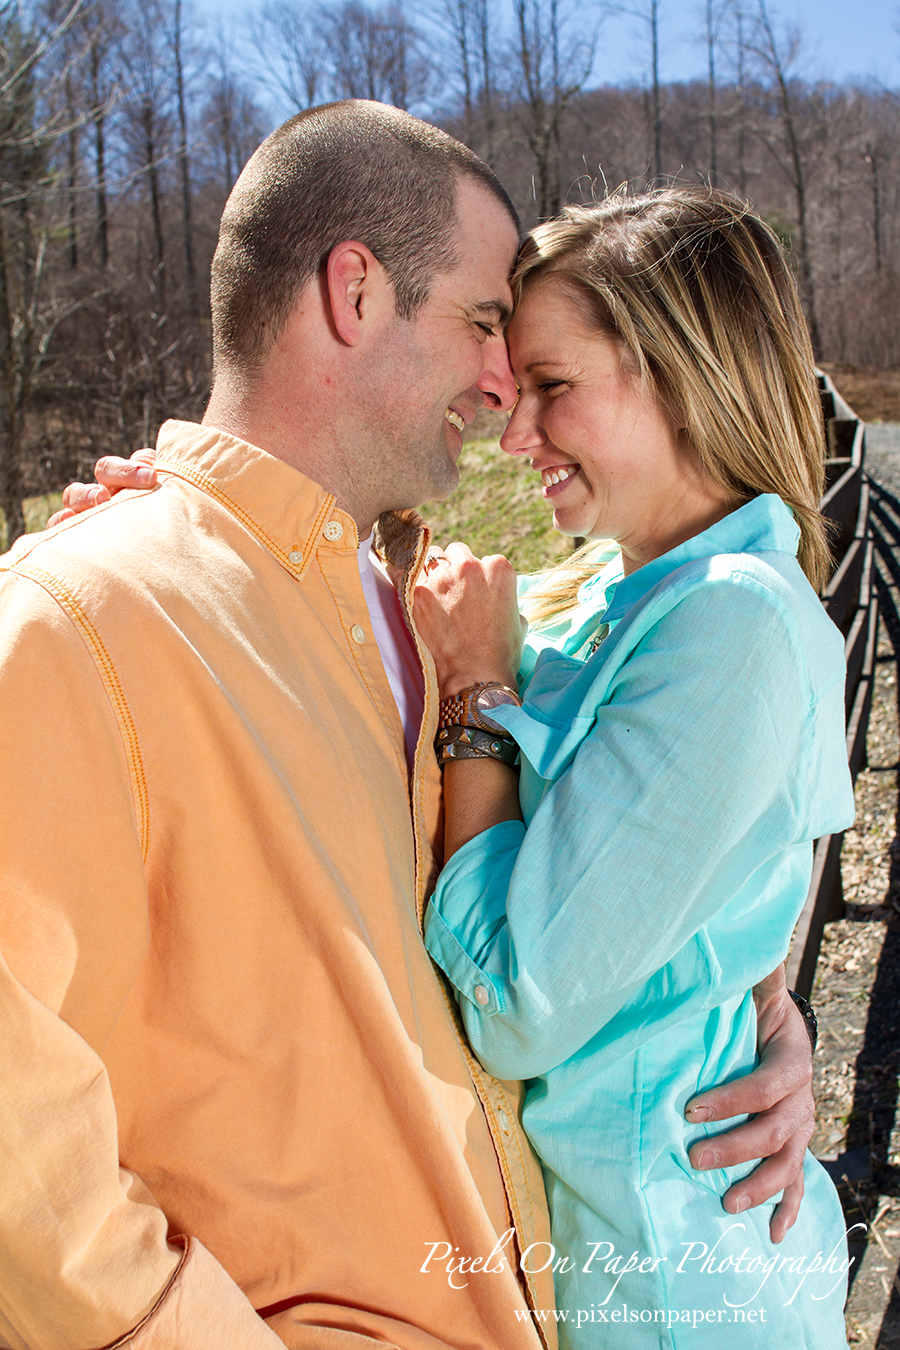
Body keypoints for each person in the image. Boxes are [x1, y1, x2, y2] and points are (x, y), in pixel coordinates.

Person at [8, 104, 816, 1350]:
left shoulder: (418, 627)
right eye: (489, 327)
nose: (503, 396)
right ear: (354, 290)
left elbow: (668, 819)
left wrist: (766, 1006)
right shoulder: (75, 618)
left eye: (538, 366)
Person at [410, 187, 855, 1346]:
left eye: (553, 389)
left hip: (666, 1283)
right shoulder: (637, 600)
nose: (516, 437)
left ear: (686, 372)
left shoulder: (734, 627)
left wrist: (475, 693)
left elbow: (516, 1002)